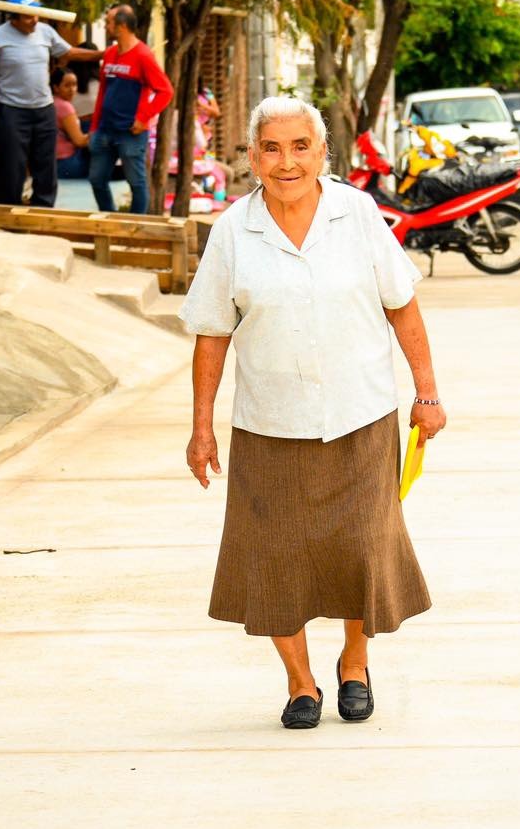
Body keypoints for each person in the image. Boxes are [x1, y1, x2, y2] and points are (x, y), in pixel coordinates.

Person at [179, 95, 443, 731]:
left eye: (300, 147)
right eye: (272, 148)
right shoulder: (232, 232)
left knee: (360, 548)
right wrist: (200, 427)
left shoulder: (357, 214)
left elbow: (401, 305)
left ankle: (355, 661)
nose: (286, 161)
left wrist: (427, 393)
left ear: (324, 153)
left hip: (361, 413)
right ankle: (300, 683)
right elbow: (211, 333)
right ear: (251, 158)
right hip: (271, 422)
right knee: (273, 557)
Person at [0, 0, 100, 207]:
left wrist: (103, 54)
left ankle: (43, 205)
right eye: (27, 16)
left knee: (45, 161)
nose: (34, 20)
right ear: (14, 17)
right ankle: (8, 206)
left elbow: (69, 52)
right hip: (12, 108)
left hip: (43, 109)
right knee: (13, 162)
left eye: (36, 14)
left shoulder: (45, 31)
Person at [88, 5, 174, 214]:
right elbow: (103, 93)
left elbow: (166, 91)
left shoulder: (143, 55)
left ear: (122, 27)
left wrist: (143, 118)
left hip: (131, 132)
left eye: (109, 22)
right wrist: (94, 127)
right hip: (105, 130)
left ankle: (136, 226)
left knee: (136, 183)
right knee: (96, 179)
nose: (106, 26)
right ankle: (111, 220)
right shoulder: (109, 54)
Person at [51, 69, 91, 182]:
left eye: (74, 85)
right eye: (67, 85)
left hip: (54, 164)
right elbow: (80, 141)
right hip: (68, 163)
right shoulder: (64, 107)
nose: (72, 90)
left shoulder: (52, 102)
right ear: (56, 88)